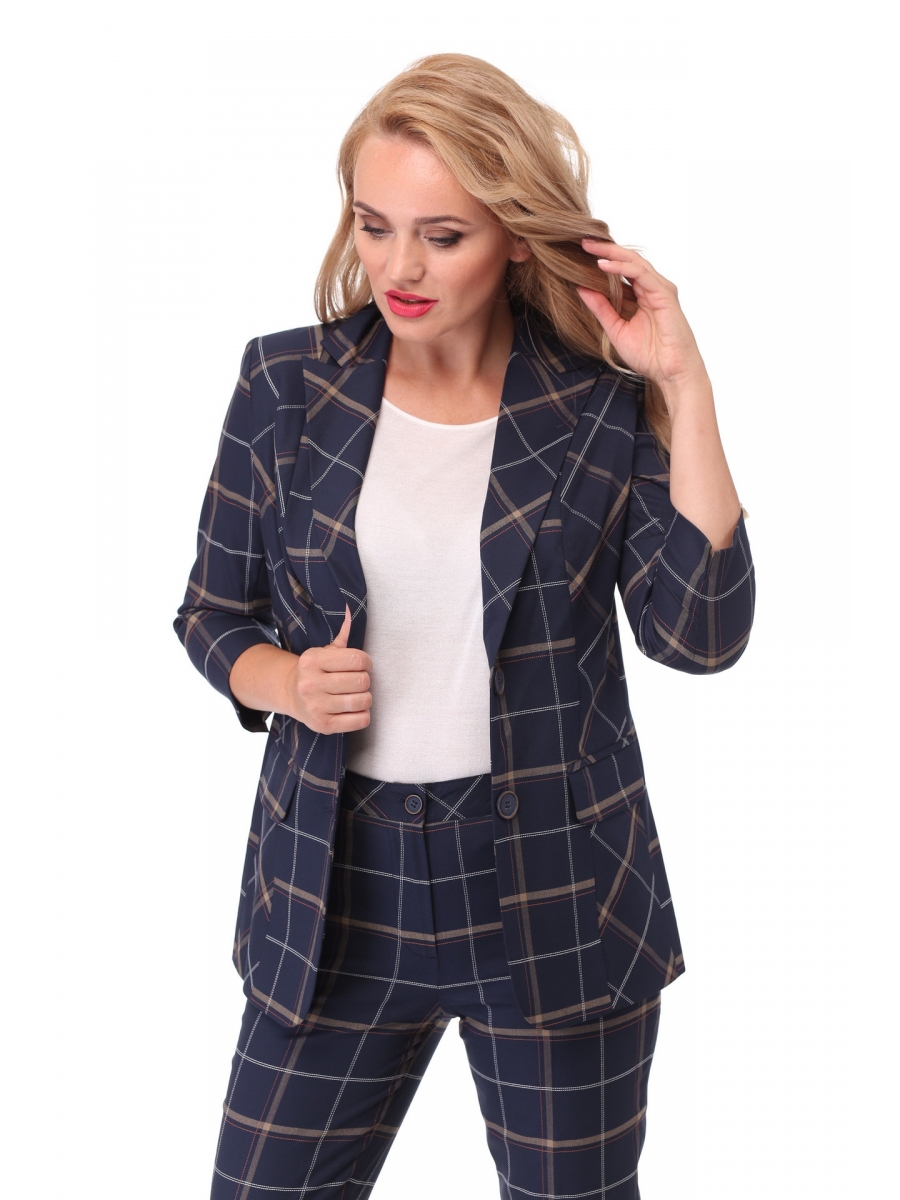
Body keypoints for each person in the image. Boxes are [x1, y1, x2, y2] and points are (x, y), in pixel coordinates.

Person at [174, 53, 754, 1200]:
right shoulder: (286, 385)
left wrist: (682, 387)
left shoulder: (596, 404)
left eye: (442, 236)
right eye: (375, 225)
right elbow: (212, 611)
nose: (399, 266)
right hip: (336, 885)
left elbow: (700, 635)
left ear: (515, 238)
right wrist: (284, 682)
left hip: (558, 889)